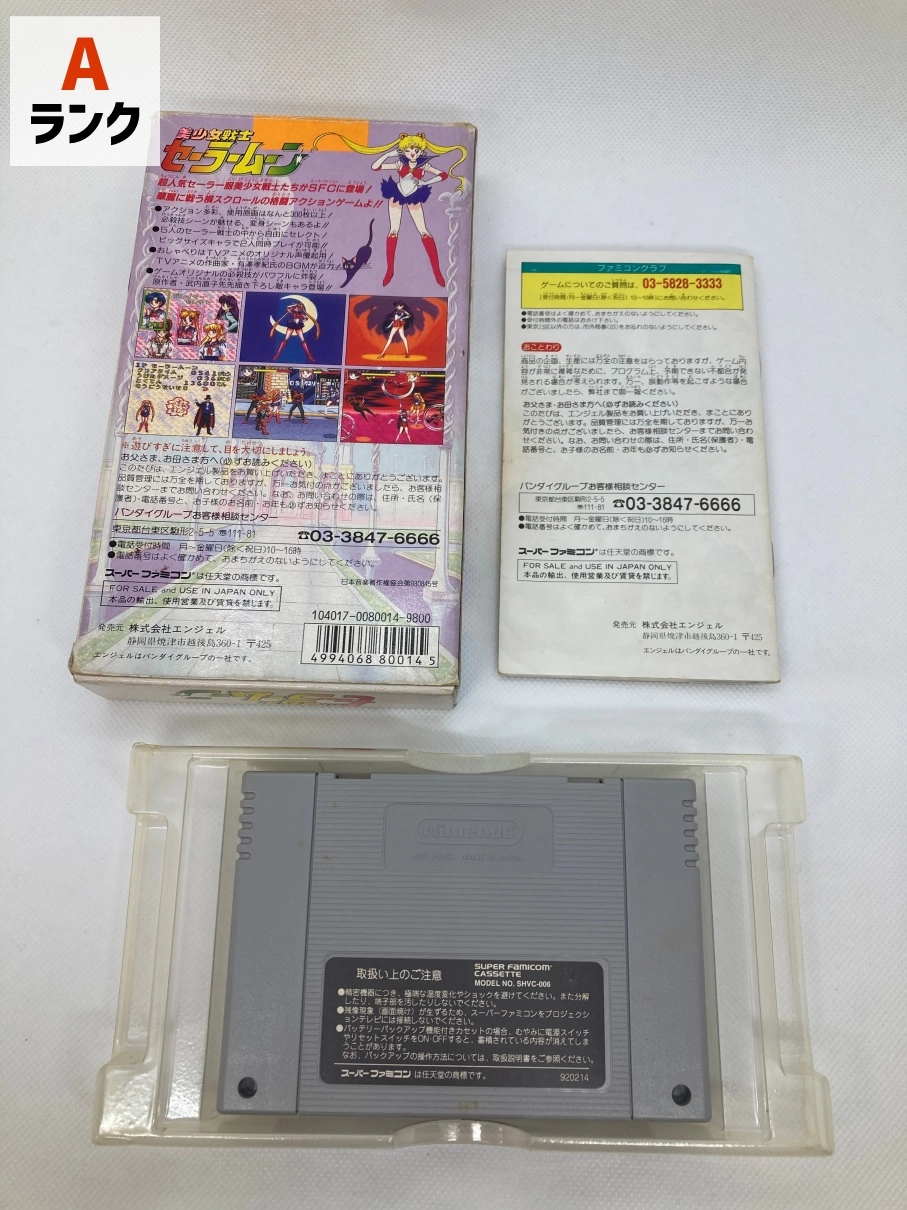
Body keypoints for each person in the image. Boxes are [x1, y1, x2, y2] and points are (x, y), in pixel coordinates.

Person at [312, 131, 467, 287]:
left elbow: (443, 175)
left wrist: (425, 183)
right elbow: (375, 167)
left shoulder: (424, 165)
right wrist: (388, 155)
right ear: (403, 150)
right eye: (408, 150)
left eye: (416, 150)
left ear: (421, 151)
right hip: (397, 194)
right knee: (393, 231)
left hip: (414, 196)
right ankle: (390, 270)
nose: (412, 153)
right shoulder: (400, 163)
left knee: (424, 231)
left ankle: (437, 272)